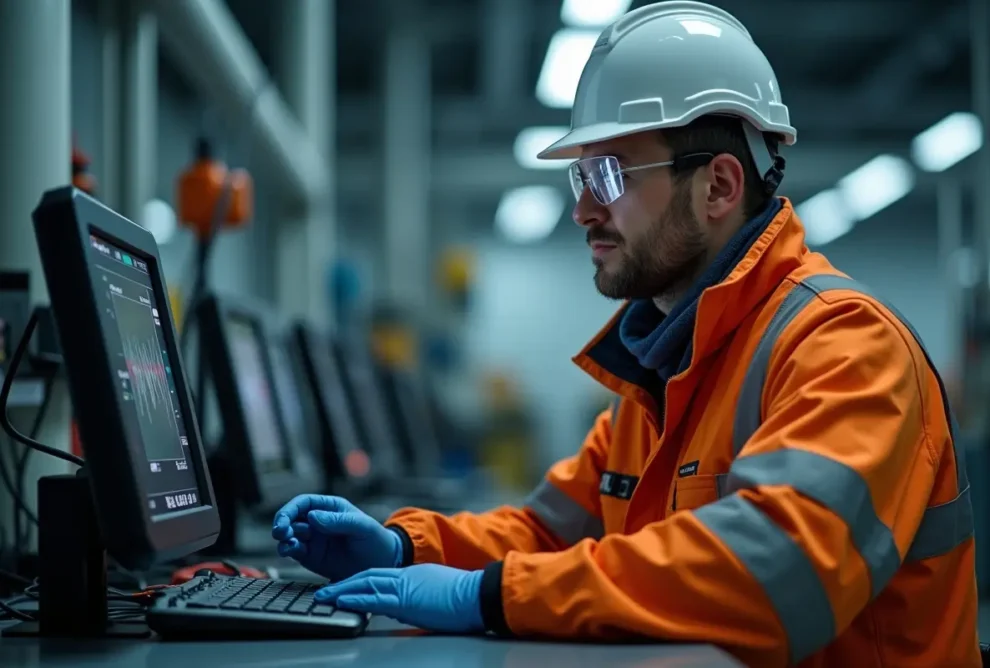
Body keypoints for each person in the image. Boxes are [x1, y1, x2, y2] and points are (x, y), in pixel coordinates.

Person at [272, 2, 979, 666]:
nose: (582, 209)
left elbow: (773, 572)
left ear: (719, 186)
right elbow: (548, 532)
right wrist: (404, 548)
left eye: (608, 175)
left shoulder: (848, 347)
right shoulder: (663, 369)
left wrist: (486, 596)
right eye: (581, 176)